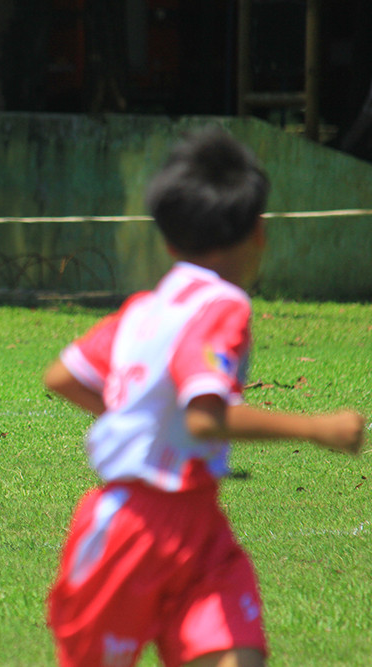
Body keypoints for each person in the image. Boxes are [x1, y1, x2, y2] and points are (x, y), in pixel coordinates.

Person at [42, 128, 366, 667]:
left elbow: (63, 376)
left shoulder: (147, 307)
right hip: (137, 530)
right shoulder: (224, 306)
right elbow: (205, 420)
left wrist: (140, 416)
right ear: (259, 231)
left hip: (195, 524)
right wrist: (317, 428)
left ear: (169, 240)